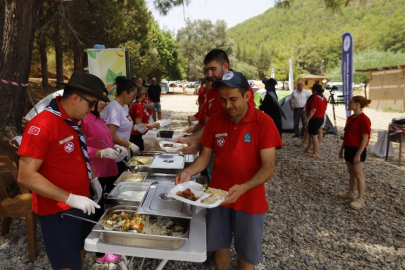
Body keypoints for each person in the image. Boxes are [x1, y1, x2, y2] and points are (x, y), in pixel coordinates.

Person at [175, 71, 282, 270]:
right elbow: (204, 158)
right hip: (216, 197)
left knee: (246, 253)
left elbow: (268, 167)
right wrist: (189, 172)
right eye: (223, 100)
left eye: (233, 99)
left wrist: (244, 187)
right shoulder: (216, 120)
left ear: (247, 96)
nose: (228, 106)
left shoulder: (263, 123)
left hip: (250, 199)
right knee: (220, 247)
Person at [17, 72, 108, 270]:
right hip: (57, 210)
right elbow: (26, 176)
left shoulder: (75, 119)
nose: (93, 109)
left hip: (82, 202)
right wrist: (69, 198)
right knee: (65, 263)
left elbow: (78, 154)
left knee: (78, 252)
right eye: (91, 103)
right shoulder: (42, 125)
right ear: (75, 98)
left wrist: (92, 178)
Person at [176, 49, 255, 154]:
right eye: (207, 70)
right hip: (214, 151)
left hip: (238, 151)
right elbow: (209, 125)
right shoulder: (212, 93)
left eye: (213, 69)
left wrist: (195, 139)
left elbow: (245, 123)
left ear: (225, 66)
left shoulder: (242, 88)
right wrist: (192, 138)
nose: (209, 74)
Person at [84, 89, 126, 263]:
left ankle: (107, 242)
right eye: (100, 100)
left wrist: (115, 147)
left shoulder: (98, 118)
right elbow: (82, 147)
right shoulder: (84, 120)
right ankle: (100, 253)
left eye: (105, 100)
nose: (104, 103)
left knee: (105, 208)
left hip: (107, 169)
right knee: (98, 209)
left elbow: (104, 139)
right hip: (96, 172)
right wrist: (100, 152)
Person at [338, 96, 371, 210]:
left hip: (357, 149)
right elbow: (347, 135)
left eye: (351, 102)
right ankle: (351, 193)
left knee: (358, 174)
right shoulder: (351, 118)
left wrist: (358, 154)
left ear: (357, 104)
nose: (348, 104)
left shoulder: (364, 119)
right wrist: (342, 148)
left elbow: (365, 139)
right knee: (351, 173)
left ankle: (360, 199)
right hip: (348, 148)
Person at [102, 76, 140, 174]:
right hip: (114, 157)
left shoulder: (123, 106)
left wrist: (135, 127)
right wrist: (130, 144)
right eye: (133, 95)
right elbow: (110, 134)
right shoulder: (114, 109)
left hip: (121, 155)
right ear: (125, 93)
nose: (134, 98)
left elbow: (123, 124)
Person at [304, 83, 327, 158]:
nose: (312, 91)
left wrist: (308, 119)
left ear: (315, 90)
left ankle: (315, 152)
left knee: (314, 136)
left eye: (312, 89)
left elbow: (313, 109)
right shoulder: (324, 98)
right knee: (312, 134)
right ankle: (308, 148)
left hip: (315, 118)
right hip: (321, 117)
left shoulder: (315, 98)